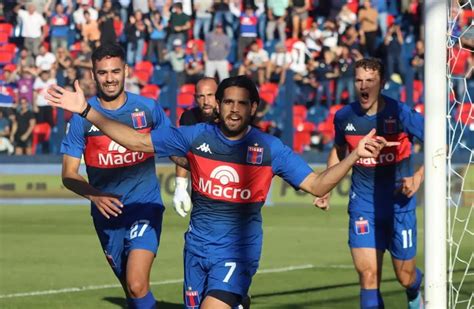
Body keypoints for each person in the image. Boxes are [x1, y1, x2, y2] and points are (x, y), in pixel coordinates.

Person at [47, 75, 396, 309]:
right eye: (227, 101)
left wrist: (353, 155)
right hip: (195, 249)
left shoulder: (269, 148)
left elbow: (317, 184)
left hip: (237, 252)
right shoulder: (196, 136)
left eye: (241, 103)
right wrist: (86, 110)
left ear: (253, 108)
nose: (233, 108)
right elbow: (135, 139)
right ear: (219, 104)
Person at [57, 44, 171, 308]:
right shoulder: (81, 119)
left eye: (115, 71)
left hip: (145, 206)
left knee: (137, 283)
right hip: (107, 215)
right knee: (133, 292)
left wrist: (184, 179)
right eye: (103, 73)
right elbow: (68, 174)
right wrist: (94, 195)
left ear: (126, 71)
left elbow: (175, 148)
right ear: (94, 75)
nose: (109, 78)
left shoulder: (148, 109)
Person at [315, 58, 425, 309]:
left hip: (399, 203)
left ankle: (415, 293)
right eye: (359, 80)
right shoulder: (344, 117)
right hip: (363, 205)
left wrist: (417, 177)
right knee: (368, 276)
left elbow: (439, 143)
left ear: (382, 83)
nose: (363, 86)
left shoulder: (401, 113)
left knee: (405, 277)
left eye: (370, 81)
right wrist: (326, 186)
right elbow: (339, 150)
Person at [173, 77, 219, 218]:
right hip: (201, 195)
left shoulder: (231, 118)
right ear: (195, 98)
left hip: (229, 189)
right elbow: (182, 151)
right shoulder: (188, 118)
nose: (206, 101)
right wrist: (180, 186)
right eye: (201, 96)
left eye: (210, 95)